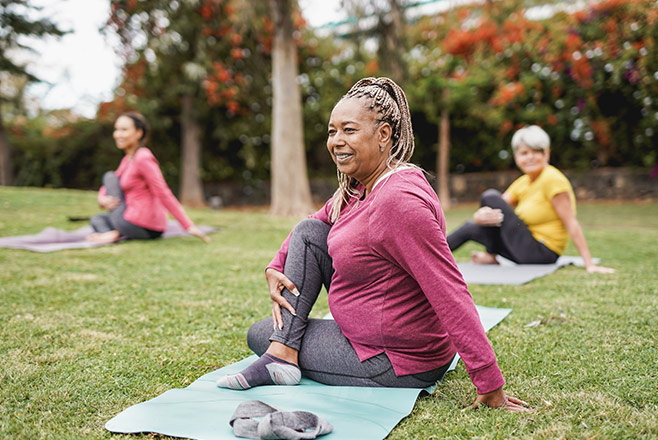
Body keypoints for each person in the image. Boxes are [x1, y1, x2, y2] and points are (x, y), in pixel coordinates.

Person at [216, 77, 528, 411]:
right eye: (332, 131)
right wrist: (275, 265)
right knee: (309, 234)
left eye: (349, 130)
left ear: (383, 135)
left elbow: (449, 290)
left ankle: (281, 353)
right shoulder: (360, 186)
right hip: (370, 338)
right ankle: (283, 353)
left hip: (396, 360)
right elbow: (314, 223)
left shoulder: (398, 201)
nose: (336, 141)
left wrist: (490, 384)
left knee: (259, 333)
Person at [447, 125, 614, 273]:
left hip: (542, 251)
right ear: (516, 157)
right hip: (522, 247)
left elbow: (571, 222)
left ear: (546, 153)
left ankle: (491, 255)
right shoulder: (524, 182)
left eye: (536, 152)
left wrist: (589, 264)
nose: (530, 157)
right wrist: (479, 216)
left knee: (489, 195)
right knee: (470, 227)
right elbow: (496, 207)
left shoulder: (552, 179)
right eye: (524, 153)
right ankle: (427, 260)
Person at [87, 112, 209, 244]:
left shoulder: (143, 157)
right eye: (116, 130)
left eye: (124, 130)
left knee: (109, 176)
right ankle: (114, 233)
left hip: (142, 224)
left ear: (138, 133)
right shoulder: (127, 160)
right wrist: (102, 198)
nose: (117, 134)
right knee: (97, 219)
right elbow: (110, 184)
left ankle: (115, 233)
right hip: (131, 220)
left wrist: (188, 225)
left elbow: (162, 192)